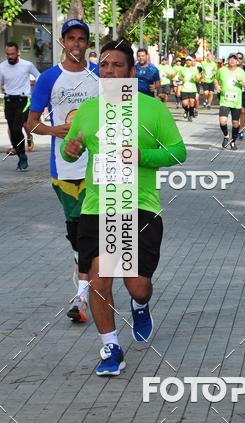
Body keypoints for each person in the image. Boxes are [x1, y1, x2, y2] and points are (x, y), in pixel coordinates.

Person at [61, 40, 186, 377]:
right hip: (97, 207)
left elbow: (177, 152)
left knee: (137, 284)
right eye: (104, 65)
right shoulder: (88, 111)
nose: (110, 71)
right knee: (100, 279)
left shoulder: (153, 109)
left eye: (117, 65)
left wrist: (143, 156)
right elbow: (69, 153)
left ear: (131, 73)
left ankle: (140, 305)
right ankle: (111, 347)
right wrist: (71, 151)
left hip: (140, 207)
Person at [26, 18, 99, 322]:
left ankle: (84, 297)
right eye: (71, 38)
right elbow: (31, 123)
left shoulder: (99, 74)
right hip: (65, 170)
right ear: (62, 42)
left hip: (99, 166)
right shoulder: (48, 79)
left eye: (82, 39)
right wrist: (55, 130)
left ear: (87, 44)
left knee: (88, 235)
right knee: (78, 235)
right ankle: (86, 291)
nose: (76, 44)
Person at [0, 42, 40, 170]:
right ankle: (21, 155)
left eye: (12, 54)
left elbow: (39, 76)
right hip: (9, 100)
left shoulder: (27, 65)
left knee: (17, 128)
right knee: (12, 130)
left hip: (23, 99)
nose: (10, 56)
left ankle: (22, 155)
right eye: (8, 54)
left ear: (18, 53)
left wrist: (37, 90)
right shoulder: (2, 67)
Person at [214, 53, 245, 149]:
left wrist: (241, 81)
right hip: (224, 100)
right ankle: (226, 136)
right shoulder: (222, 70)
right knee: (223, 121)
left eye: (235, 59)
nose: (232, 60)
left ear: (237, 61)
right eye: (230, 58)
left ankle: (233, 141)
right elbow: (216, 79)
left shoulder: (241, 71)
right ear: (228, 60)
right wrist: (217, 86)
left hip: (236, 102)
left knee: (235, 123)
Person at [178, 55, 200, 120]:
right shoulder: (182, 69)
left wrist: (195, 78)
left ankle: (190, 115)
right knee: (184, 103)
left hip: (192, 89)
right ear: (185, 61)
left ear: (192, 62)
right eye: (187, 60)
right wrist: (182, 78)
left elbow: (198, 80)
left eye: (189, 60)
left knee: (192, 102)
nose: (188, 62)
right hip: (184, 89)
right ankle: (186, 110)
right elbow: (179, 77)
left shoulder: (195, 69)